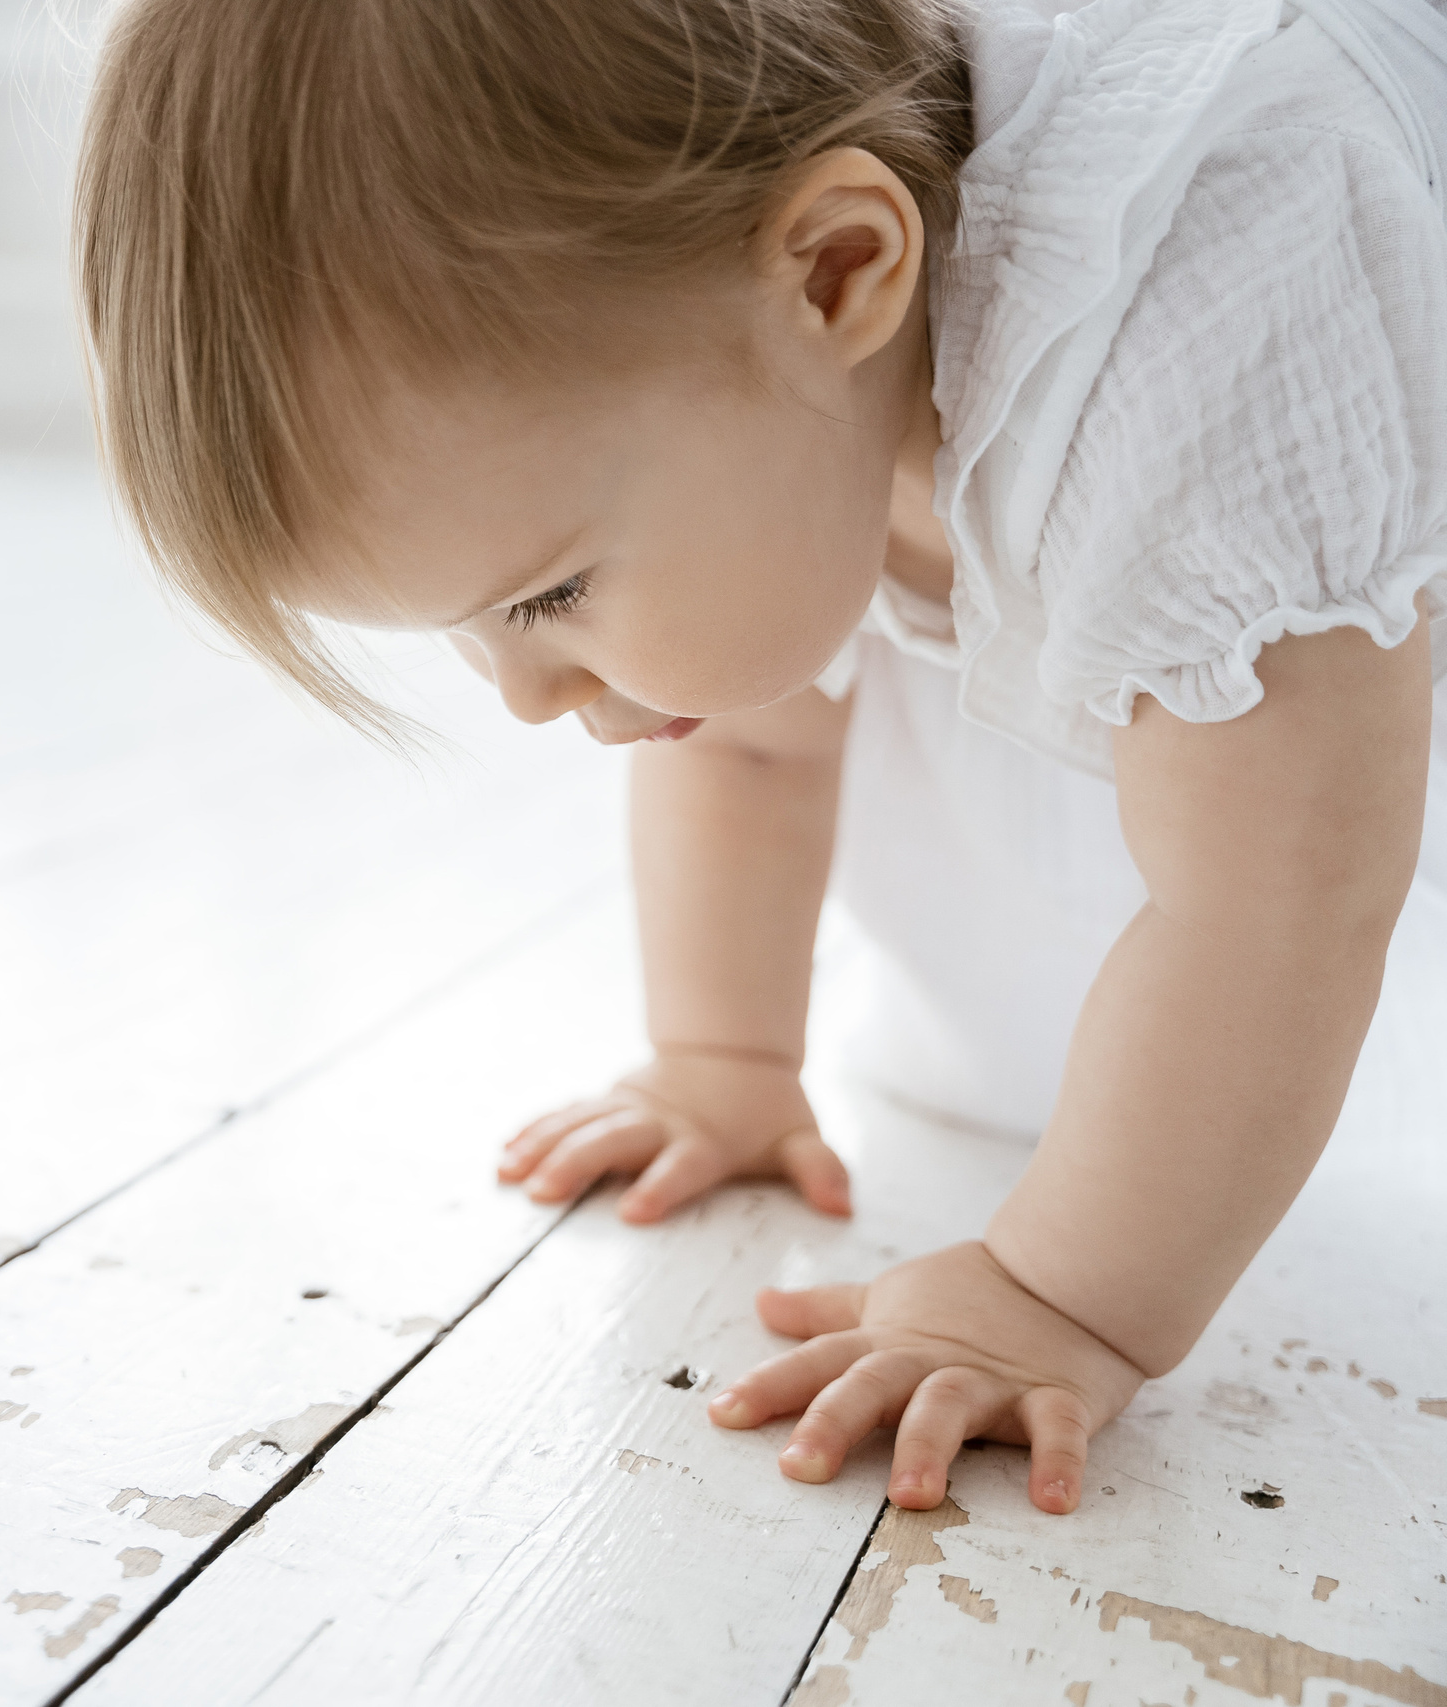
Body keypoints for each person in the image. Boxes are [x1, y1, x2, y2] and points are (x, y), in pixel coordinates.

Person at [72, 0, 1447, 1514]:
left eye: (549, 596)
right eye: (472, 630)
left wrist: (1065, 1295)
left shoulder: (1200, 300)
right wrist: (725, 1060)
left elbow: (1279, 900)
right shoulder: (771, 362)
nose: (527, 699)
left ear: (840, 271)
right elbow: (746, 744)